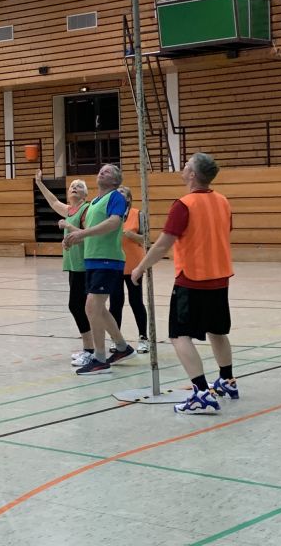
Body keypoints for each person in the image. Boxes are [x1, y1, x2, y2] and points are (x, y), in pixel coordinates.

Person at [132, 153, 236, 414]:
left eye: (187, 164)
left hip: (192, 279)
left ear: (192, 174)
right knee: (217, 331)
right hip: (219, 277)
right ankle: (227, 380)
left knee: (179, 335)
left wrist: (140, 267)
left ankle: (201, 392)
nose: (184, 167)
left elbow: (164, 244)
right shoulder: (223, 201)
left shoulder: (184, 205)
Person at [62, 164, 135, 375]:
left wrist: (82, 234)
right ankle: (122, 347)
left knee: (91, 307)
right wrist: (73, 237)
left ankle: (100, 358)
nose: (102, 172)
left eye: (108, 171)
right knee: (99, 309)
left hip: (108, 260)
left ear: (115, 180)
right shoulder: (94, 202)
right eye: (101, 170)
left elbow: (113, 223)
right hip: (91, 261)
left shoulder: (116, 198)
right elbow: (88, 231)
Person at [34, 171, 94, 367]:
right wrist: (39, 183)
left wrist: (68, 227)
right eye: (71, 187)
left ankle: (90, 349)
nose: (74, 188)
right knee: (79, 307)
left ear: (85, 195)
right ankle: (89, 348)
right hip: (73, 265)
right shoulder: (69, 210)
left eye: (78, 187)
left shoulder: (87, 210)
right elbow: (52, 201)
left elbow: (90, 234)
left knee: (78, 306)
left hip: (84, 266)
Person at [109, 186, 150, 353]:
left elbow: (146, 239)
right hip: (115, 264)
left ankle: (143, 337)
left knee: (136, 302)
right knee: (115, 303)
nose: (118, 195)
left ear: (128, 198)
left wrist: (131, 235)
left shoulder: (137, 214)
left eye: (122, 192)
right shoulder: (110, 215)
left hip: (134, 265)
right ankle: (116, 338)